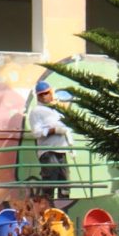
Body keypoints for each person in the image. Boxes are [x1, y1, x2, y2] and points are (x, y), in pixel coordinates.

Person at [26, 79, 71, 210]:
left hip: (61, 150)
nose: (45, 96)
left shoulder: (54, 110)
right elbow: (36, 132)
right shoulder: (36, 111)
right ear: (38, 96)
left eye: (47, 93)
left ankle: (63, 210)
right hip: (48, 152)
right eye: (42, 94)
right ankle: (46, 211)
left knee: (65, 182)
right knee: (50, 182)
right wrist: (54, 130)